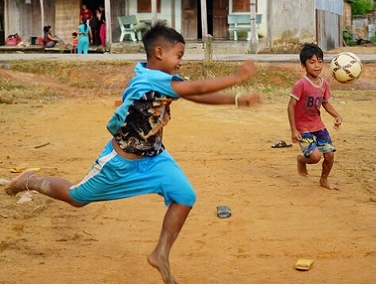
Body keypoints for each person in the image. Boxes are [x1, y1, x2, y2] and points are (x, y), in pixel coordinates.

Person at [4, 24, 262, 284]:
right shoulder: (148, 80)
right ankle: (30, 181)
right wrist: (237, 77)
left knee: (184, 196)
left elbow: (193, 95)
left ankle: (161, 253)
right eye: (179, 55)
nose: (180, 63)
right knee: (76, 198)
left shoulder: (161, 79)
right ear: (159, 52)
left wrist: (236, 100)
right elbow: (195, 89)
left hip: (155, 158)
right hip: (120, 163)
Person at [287, 44, 342, 190]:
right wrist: (293, 130)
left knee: (330, 155)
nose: (317, 66)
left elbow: (325, 103)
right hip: (303, 128)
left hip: (318, 126)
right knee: (315, 157)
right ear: (303, 65)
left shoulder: (324, 84)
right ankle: (301, 159)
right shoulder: (301, 84)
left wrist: (337, 116)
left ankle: (324, 179)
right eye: (312, 62)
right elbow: (291, 106)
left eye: (319, 61)